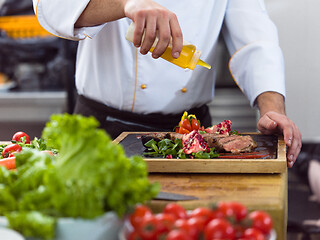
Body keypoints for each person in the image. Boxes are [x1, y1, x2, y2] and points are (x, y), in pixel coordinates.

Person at [32, 0, 301, 167]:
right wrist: (126, 4)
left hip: (190, 136)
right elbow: (52, 5)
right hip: (102, 130)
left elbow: (256, 41)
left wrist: (272, 108)